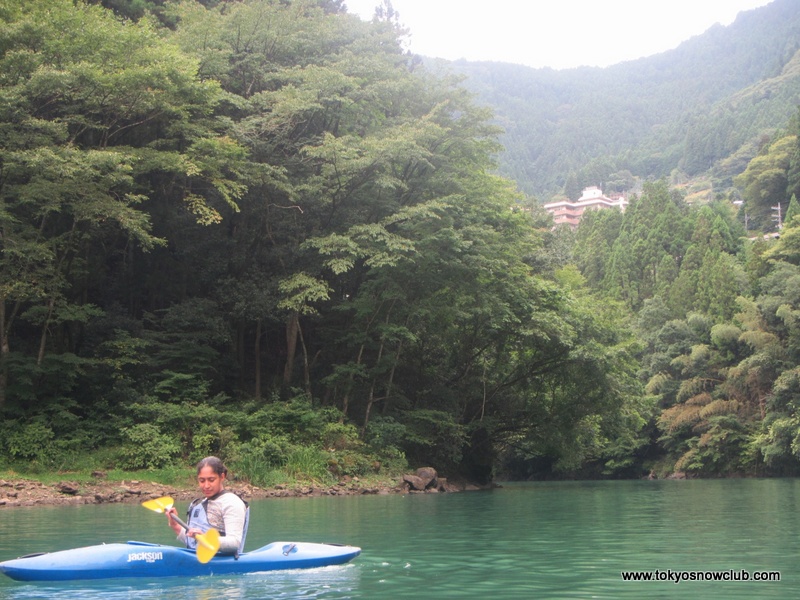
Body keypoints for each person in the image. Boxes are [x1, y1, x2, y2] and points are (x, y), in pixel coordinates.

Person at [166, 456, 249, 556]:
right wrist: (175, 525)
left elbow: (234, 543)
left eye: (211, 480)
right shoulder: (201, 503)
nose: (206, 486)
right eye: (202, 481)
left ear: (222, 477)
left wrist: (206, 538)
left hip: (222, 562)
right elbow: (193, 543)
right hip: (198, 560)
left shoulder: (231, 503)